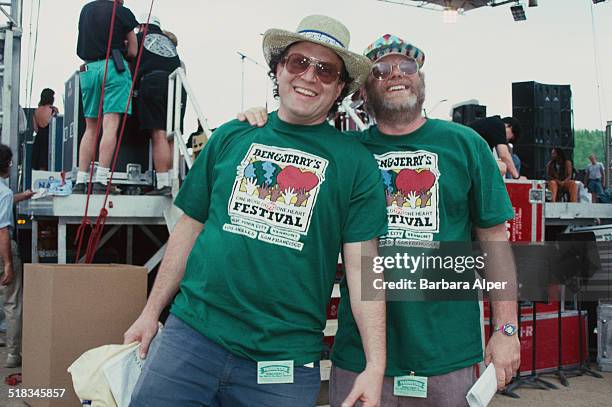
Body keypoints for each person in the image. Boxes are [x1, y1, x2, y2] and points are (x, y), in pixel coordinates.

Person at [239, 33, 520, 406]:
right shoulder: (344, 151)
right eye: (380, 69)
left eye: (407, 66)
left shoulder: (464, 144)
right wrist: (254, 120)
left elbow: (495, 242)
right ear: (362, 90)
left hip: (446, 355)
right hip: (360, 357)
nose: (395, 74)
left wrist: (506, 329)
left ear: (421, 79)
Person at [125, 15, 387, 407]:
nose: (309, 76)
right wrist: (150, 313)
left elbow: (363, 265)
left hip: (283, 363)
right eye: (298, 62)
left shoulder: (356, 163)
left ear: (339, 89)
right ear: (278, 69)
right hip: (191, 337)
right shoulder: (232, 135)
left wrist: (375, 364)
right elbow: (188, 229)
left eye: (326, 69)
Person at [73, 0, 138, 194]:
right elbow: (134, 51)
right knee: (110, 126)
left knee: (90, 128)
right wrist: (124, 47)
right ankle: (101, 179)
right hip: (113, 68)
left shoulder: (86, 10)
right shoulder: (122, 12)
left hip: (89, 69)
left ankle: (81, 180)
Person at [135, 16, 182, 195]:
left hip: (153, 82)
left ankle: (162, 184)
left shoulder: (139, 38)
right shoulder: (168, 42)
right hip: (176, 84)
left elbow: (130, 61)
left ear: (141, 26)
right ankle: (173, 180)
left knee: (159, 134)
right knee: (172, 135)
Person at [0, 145, 34, 368]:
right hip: (3, 248)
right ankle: (13, 355)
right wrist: (9, 263)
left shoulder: (6, 194)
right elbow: (2, 229)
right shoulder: (4, 192)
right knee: (12, 302)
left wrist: (23, 196)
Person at [31, 88, 59, 171]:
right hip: (49, 137)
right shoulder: (53, 110)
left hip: (39, 138)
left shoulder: (36, 111)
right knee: (49, 161)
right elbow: (55, 124)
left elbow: (35, 129)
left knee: (39, 162)